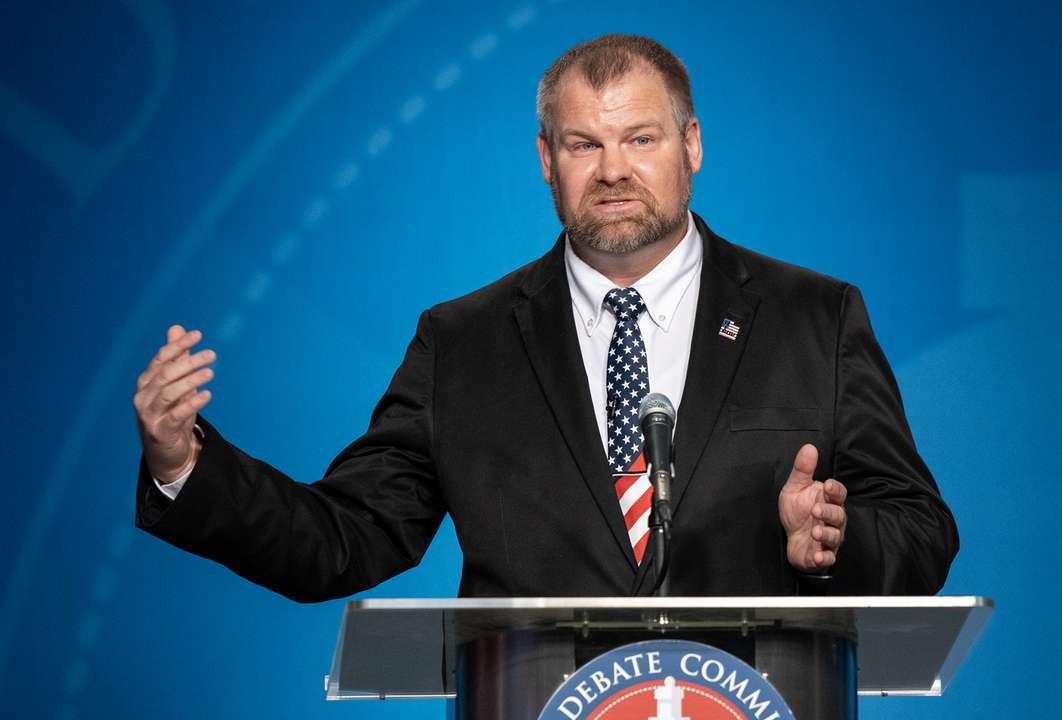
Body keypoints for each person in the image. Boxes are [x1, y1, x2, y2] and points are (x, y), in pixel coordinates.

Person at [133, 35, 957, 601]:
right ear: (545, 160)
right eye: (582, 145)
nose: (613, 171)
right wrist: (184, 463)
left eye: (640, 139)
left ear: (692, 144)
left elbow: (922, 531)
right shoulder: (462, 344)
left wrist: (834, 539)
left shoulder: (814, 317)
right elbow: (343, 537)